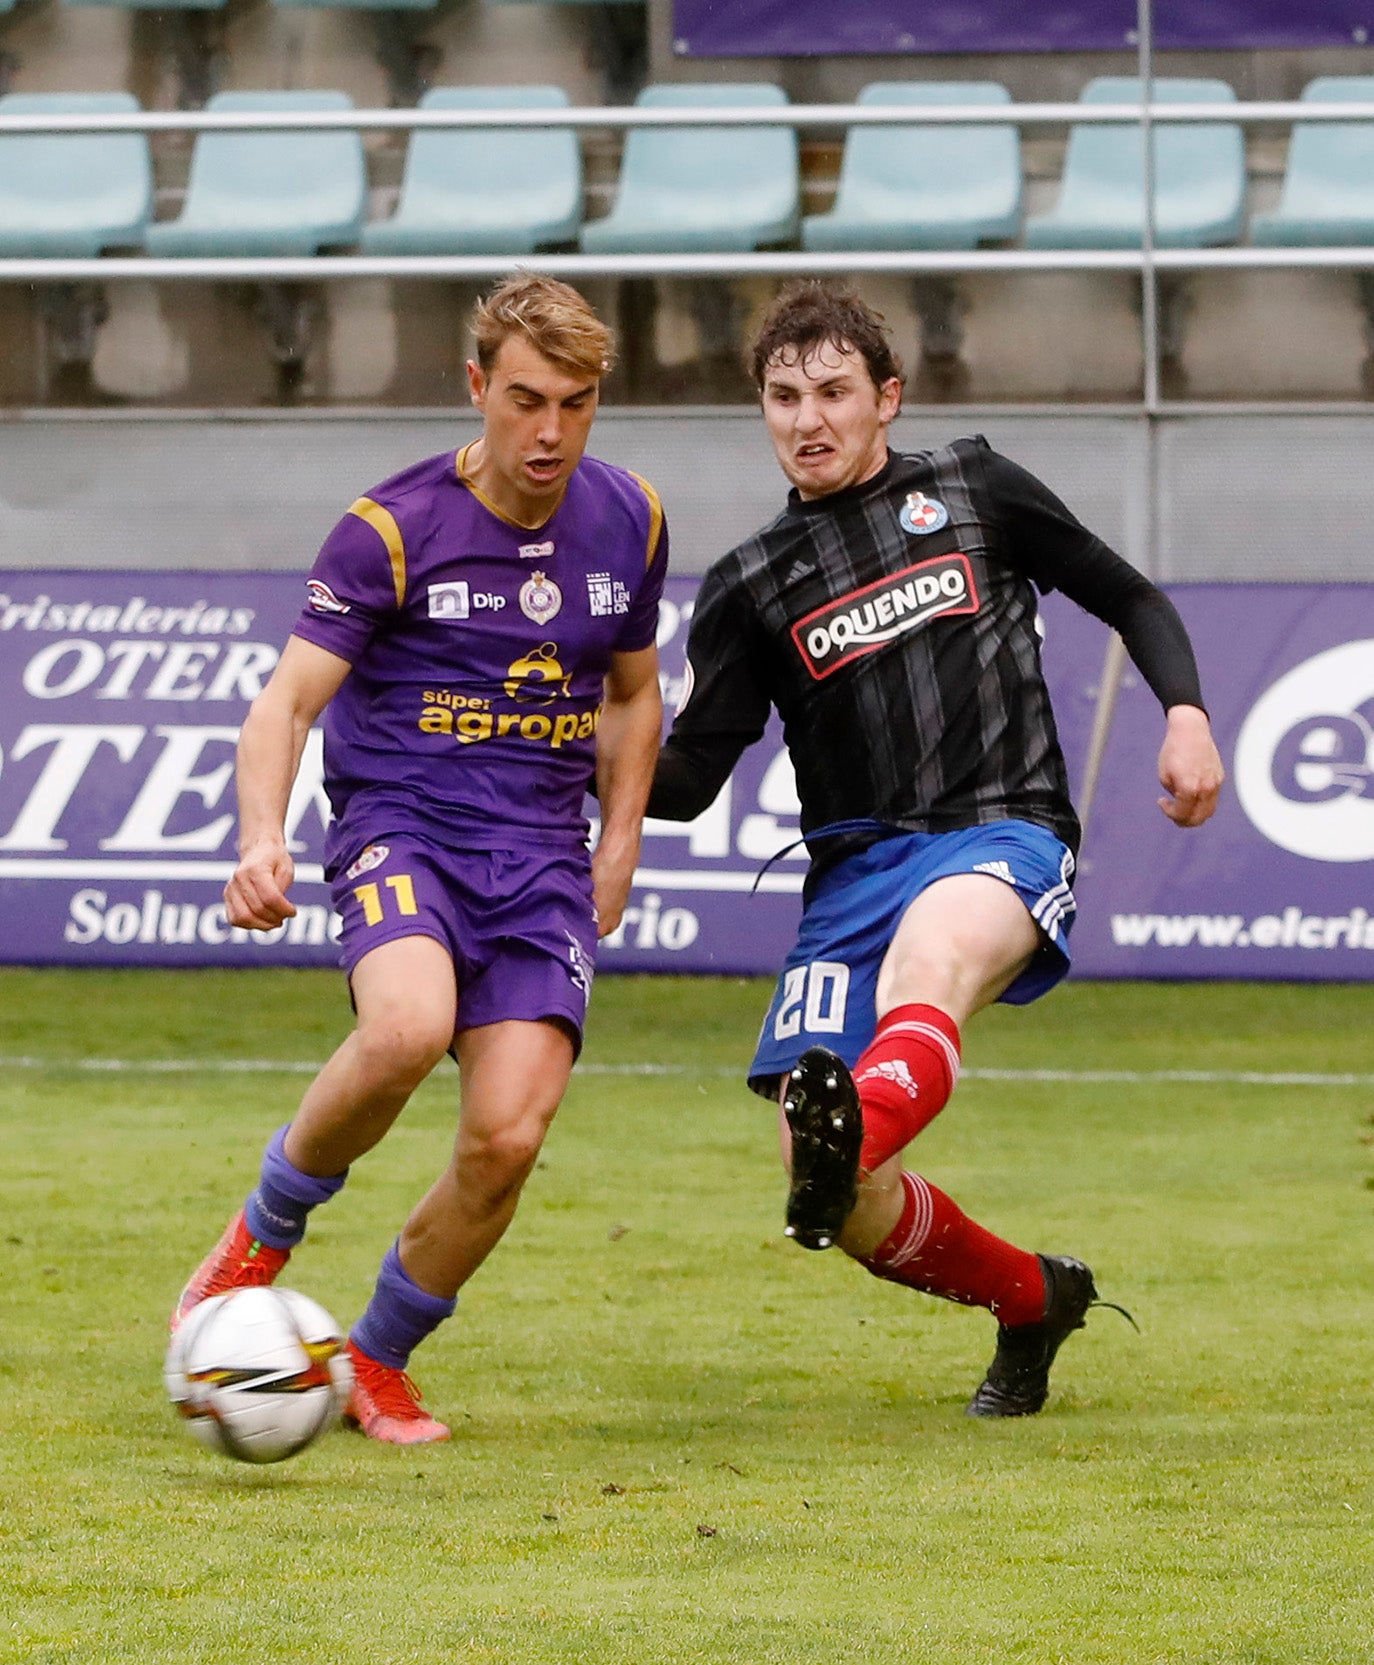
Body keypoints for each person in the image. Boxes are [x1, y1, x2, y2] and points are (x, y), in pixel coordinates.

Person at [647, 281, 1223, 1418]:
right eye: (782, 396)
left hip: (1000, 827)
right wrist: (565, 748)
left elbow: (1131, 594)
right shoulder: (750, 585)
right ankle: (1032, 1297)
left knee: (931, 969)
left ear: (886, 398)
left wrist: (1188, 713)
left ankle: (853, 1117)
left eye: (832, 392)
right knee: (839, 1192)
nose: (807, 419)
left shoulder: (974, 489)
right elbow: (685, 782)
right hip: (850, 877)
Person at [172, 274, 667, 1445]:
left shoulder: (631, 518)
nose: (551, 433)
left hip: (542, 857)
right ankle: (261, 1234)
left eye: (579, 404)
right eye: (527, 400)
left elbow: (635, 696)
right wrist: (261, 837)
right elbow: (286, 704)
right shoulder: (391, 528)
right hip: (406, 830)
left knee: (508, 1136)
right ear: (477, 386)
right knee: (401, 1028)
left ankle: (377, 1361)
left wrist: (625, 834)